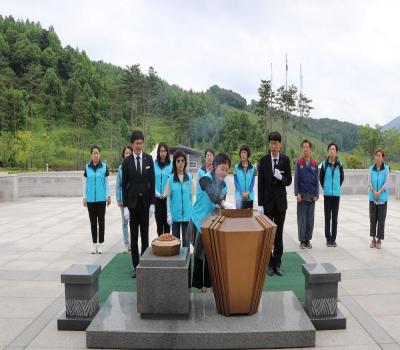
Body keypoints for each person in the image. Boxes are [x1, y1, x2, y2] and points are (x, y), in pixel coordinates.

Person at [189, 152, 234, 292]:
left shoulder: (224, 185)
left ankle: (209, 284)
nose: (224, 173)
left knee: (210, 254)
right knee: (198, 254)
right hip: (199, 220)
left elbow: (220, 203)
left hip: (212, 222)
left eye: (227, 170)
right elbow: (213, 195)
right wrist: (222, 203)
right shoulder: (205, 179)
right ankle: (198, 285)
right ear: (214, 166)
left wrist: (223, 207)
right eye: (222, 169)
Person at [258, 131, 292, 277]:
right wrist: (260, 204)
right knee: (268, 235)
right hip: (267, 203)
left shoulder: (285, 159)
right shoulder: (264, 160)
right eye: (271, 143)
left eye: (275, 143)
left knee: (278, 234)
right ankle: (269, 264)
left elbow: (289, 180)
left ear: (280, 144)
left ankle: (277, 264)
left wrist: (281, 178)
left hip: (280, 203)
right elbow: (260, 183)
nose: (273, 145)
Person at [122, 130, 155, 278]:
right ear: (132, 144)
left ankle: (145, 264)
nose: (139, 146)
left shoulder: (148, 159)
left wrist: (153, 203)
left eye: (141, 143)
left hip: (145, 203)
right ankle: (136, 266)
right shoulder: (127, 161)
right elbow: (124, 185)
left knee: (145, 235)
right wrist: (125, 206)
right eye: (137, 143)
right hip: (133, 204)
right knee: (134, 237)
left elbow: (152, 182)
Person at [82, 145, 111, 254]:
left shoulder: (104, 167)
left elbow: (107, 183)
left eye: (97, 153)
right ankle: (94, 244)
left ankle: (101, 244)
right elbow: (84, 183)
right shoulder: (87, 167)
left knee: (101, 222)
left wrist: (108, 196)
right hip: (90, 200)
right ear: (91, 155)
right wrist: (84, 197)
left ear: (100, 154)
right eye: (94, 153)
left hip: (101, 199)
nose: (96, 155)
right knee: (93, 222)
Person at [164, 150, 195, 247]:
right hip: (175, 216)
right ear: (175, 163)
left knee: (186, 244)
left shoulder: (189, 178)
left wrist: (193, 212)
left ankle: (187, 263)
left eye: (182, 160)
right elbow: (168, 197)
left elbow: (192, 196)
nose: (180, 163)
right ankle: (176, 263)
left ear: (185, 162)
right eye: (178, 161)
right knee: (175, 244)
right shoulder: (170, 179)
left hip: (187, 216)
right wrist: (169, 214)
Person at [294, 139, 319, 250]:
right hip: (302, 196)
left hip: (311, 196)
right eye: (303, 147)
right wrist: (297, 193)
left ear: (310, 149)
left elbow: (316, 181)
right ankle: (302, 240)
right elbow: (296, 180)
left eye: (307, 147)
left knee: (310, 220)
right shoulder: (299, 163)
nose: (305, 149)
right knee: (302, 219)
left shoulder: (314, 164)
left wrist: (317, 194)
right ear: (302, 149)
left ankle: (308, 240)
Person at [319, 143, 344, 247]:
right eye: (330, 149)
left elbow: (342, 178)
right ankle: (328, 238)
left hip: (336, 195)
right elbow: (321, 178)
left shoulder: (340, 164)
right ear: (328, 151)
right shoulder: (324, 165)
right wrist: (326, 187)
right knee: (327, 217)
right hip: (327, 195)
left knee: (335, 218)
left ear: (336, 152)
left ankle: (333, 239)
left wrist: (337, 187)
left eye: (333, 149)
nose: (332, 151)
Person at [368, 148, 390, 249]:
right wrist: (374, 192)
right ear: (374, 157)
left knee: (381, 220)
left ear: (383, 157)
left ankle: (379, 240)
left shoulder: (386, 169)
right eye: (376, 155)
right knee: (373, 219)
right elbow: (369, 182)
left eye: (380, 155)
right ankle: (373, 239)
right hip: (373, 198)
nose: (378, 157)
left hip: (382, 198)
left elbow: (387, 182)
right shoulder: (371, 168)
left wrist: (379, 192)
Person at [116, 145, 133, 253]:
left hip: (133, 199)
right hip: (123, 199)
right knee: (124, 222)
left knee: (133, 222)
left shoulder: (134, 166)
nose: (127, 155)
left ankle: (132, 243)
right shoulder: (120, 168)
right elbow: (118, 185)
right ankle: (126, 243)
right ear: (123, 155)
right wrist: (118, 199)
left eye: (129, 153)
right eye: (126, 153)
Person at [154, 143, 173, 235]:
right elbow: (151, 181)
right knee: (159, 223)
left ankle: (167, 245)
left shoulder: (171, 165)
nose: (163, 153)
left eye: (165, 151)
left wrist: (166, 193)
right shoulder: (154, 164)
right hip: (157, 198)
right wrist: (157, 194)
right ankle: (160, 244)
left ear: (167, 152)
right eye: (161, 151)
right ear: (158, 152)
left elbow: (172, 181)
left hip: (167, 199)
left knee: (167, 223)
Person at [234, 145, 256, 209]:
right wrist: (242, 193)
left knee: (249, 216)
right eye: (242, 153)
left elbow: (253, 182)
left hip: (249, 197)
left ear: (247, 155)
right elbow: (236, 182)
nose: (243, 154)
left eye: (245, 153)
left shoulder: (253, 167)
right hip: (239, 198)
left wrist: (248, 193)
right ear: (240, 155)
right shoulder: (236, 167)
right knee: (239, 217)